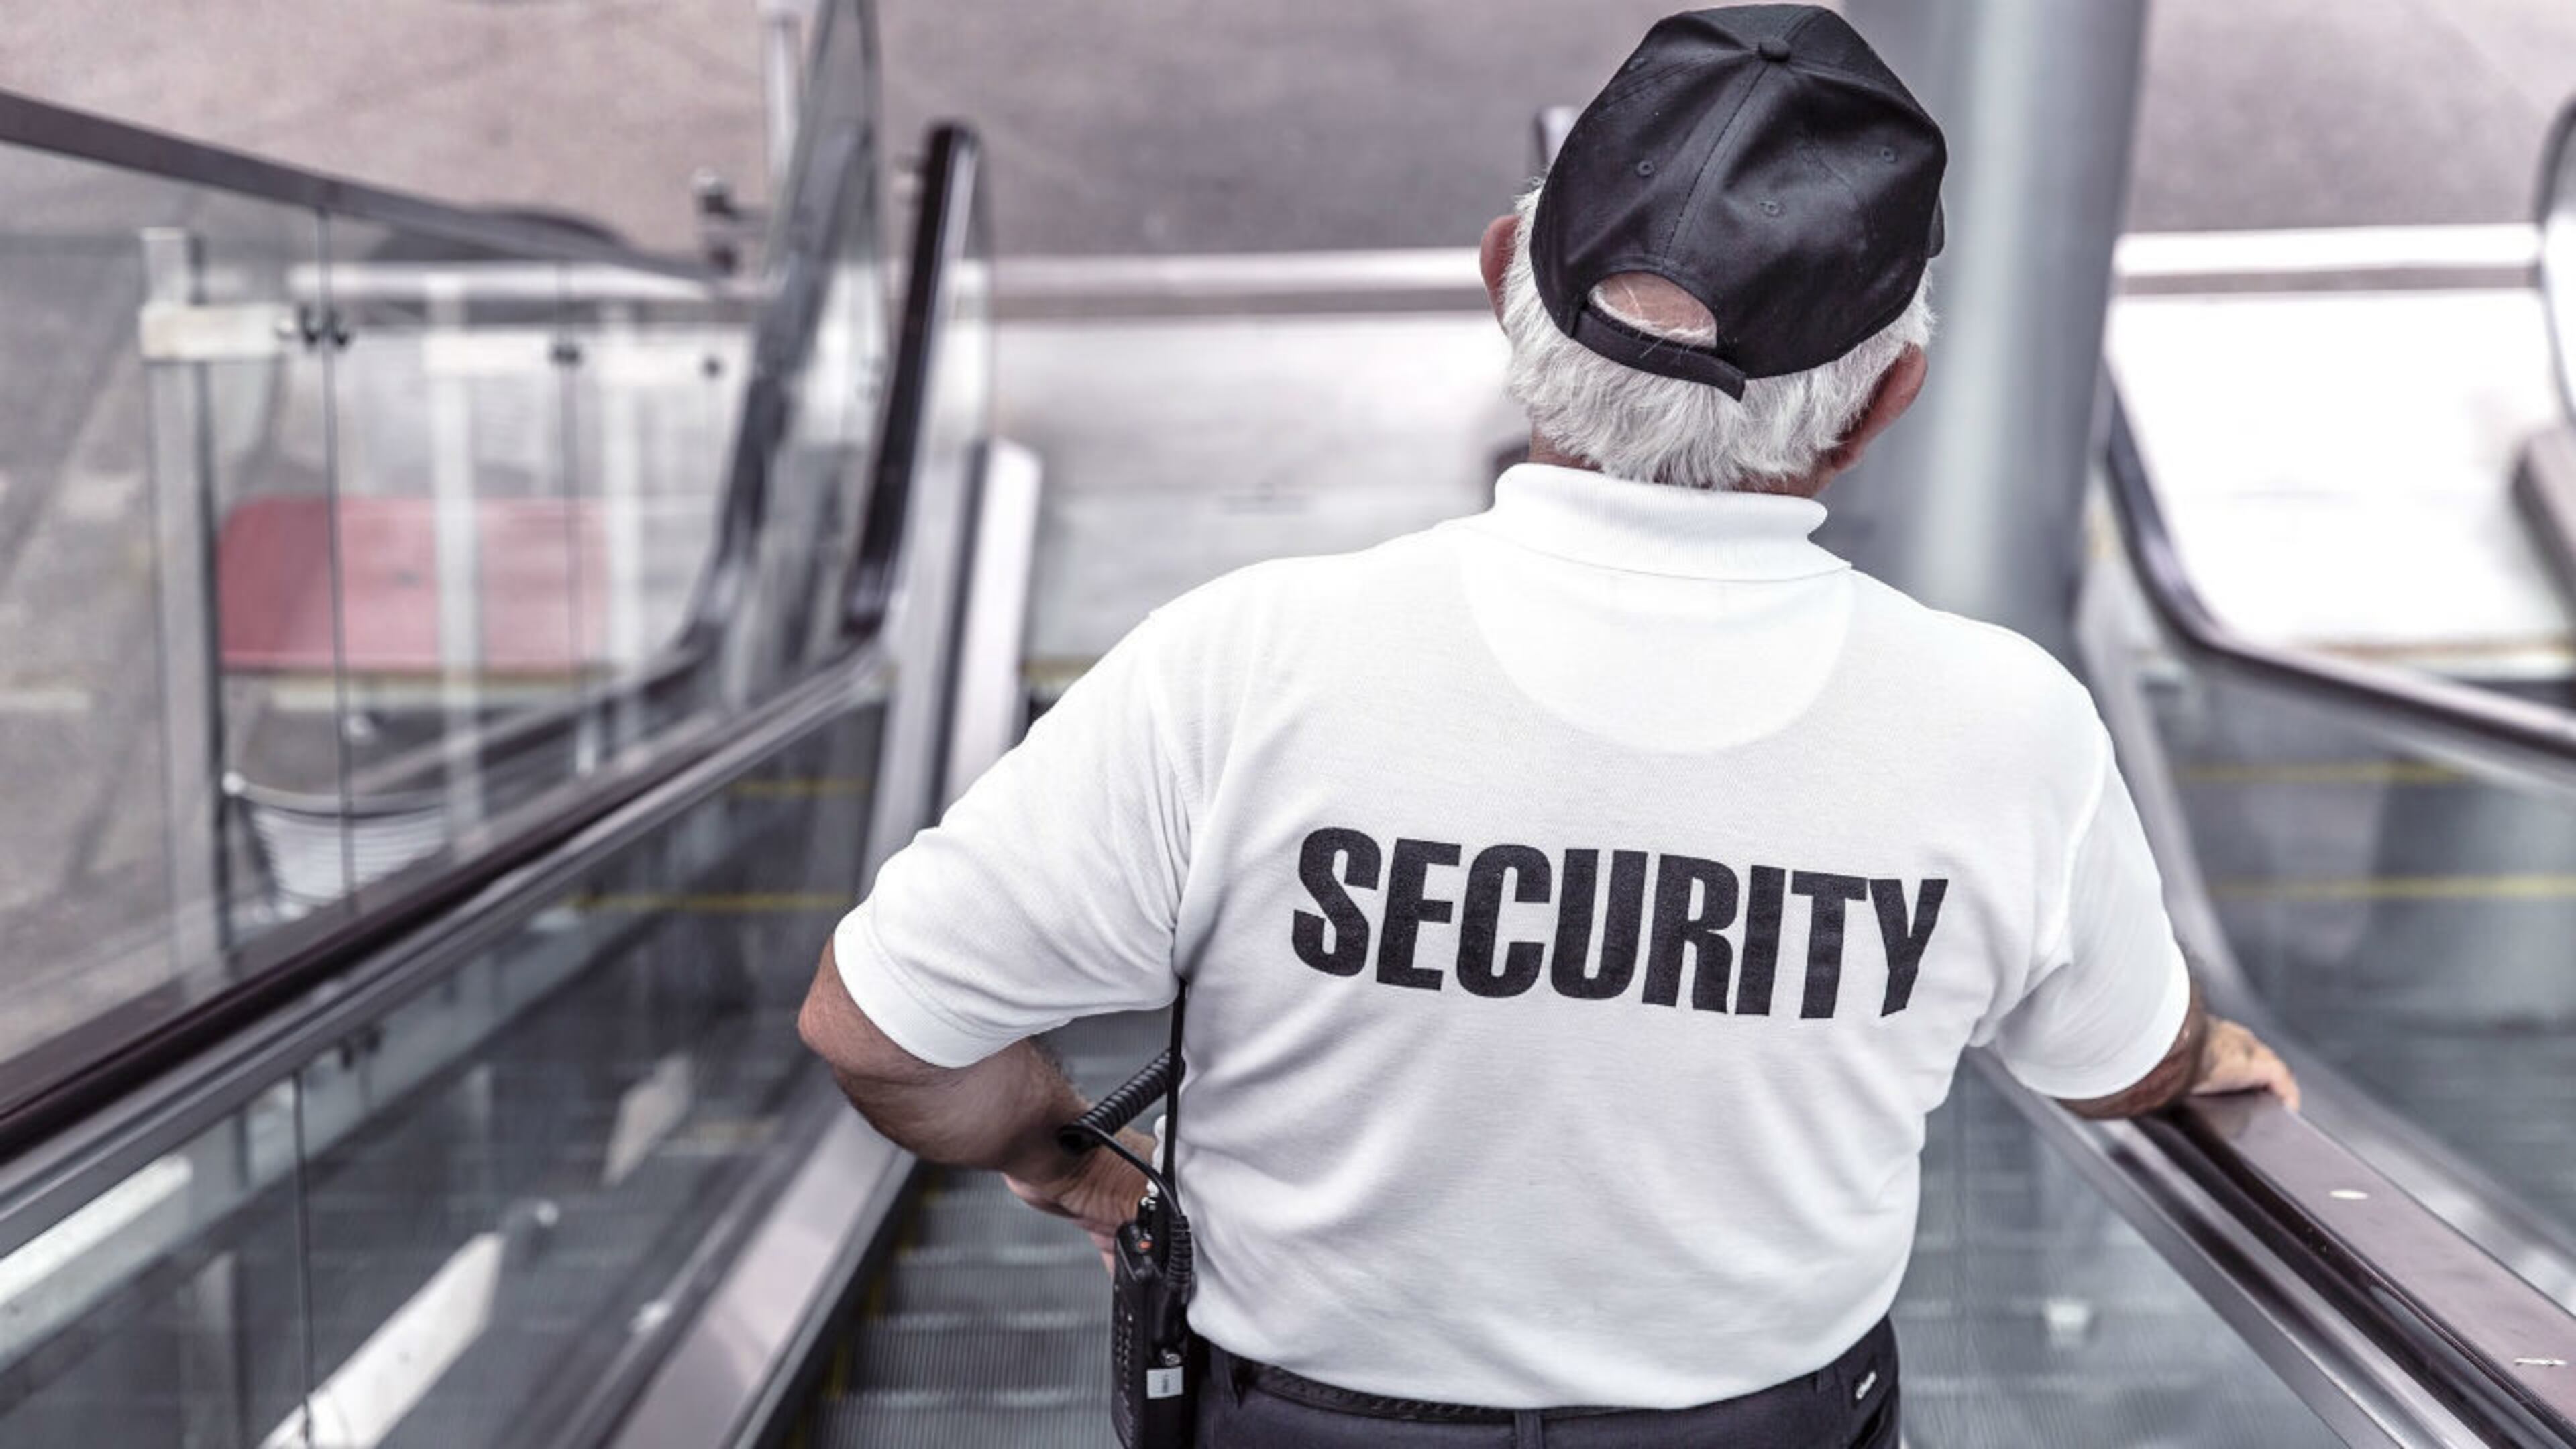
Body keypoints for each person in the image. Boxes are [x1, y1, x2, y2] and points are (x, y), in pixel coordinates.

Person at [797, 6, 2297, 1446]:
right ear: (1885, 398)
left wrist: (1067, 1167)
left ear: (1506, 270)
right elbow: (2115, 1060)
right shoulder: (2006, 731)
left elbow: (879, 1029)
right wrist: (2207, 1047)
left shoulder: (1247, 664)